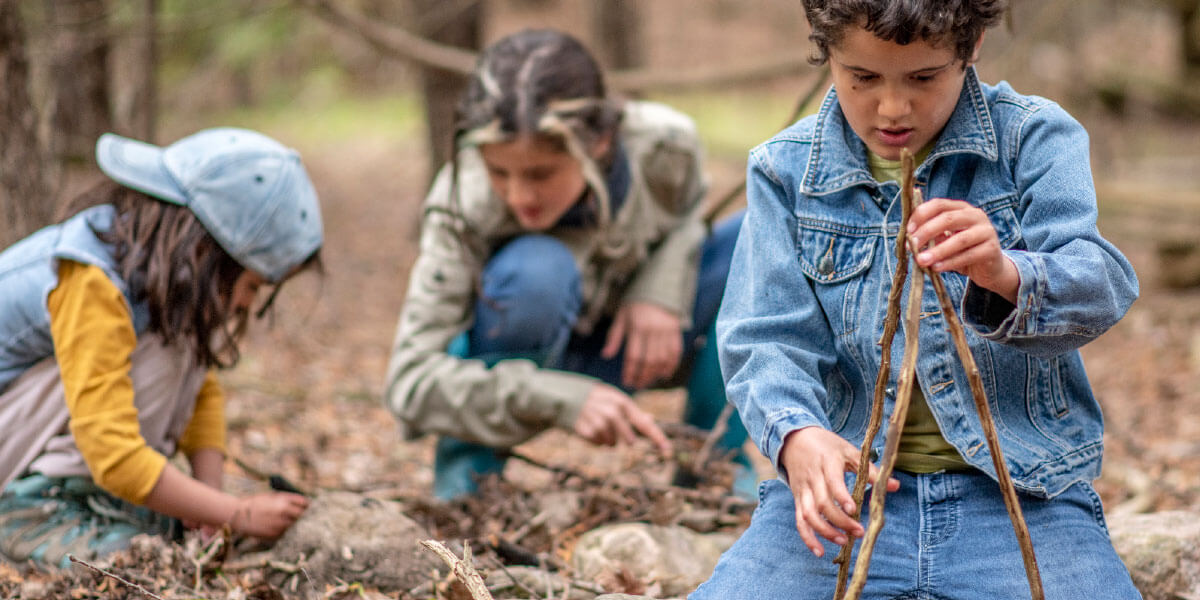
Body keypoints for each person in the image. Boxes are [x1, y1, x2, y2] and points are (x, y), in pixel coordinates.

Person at [692, 1, 1143, 598]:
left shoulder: (1034, 138)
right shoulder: (785, 170)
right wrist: (797, 435)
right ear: (826, 52)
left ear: (972, 44)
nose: (893, 107)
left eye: (924, 78)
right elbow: (765, 337)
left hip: (1020, 498)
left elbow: (1101, 283)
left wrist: (1005, 273)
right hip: (843, 505)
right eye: (864, 78)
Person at [384, 28, 753, 501]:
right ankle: (470, 471)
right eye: (499, 172)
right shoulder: (462, 201)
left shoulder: (665, 144)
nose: (519, 196)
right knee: (536, 270)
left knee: (757, 237)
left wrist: (659, 291)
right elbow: (409, 383)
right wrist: (560, 398)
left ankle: (712, 465)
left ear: (600, 141)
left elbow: (687, 220)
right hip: (522, 357)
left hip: (630, 344)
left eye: (540, 174)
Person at [0, 128, 323, 569]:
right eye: (250, 284)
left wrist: (210, 505)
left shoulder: (153, 279)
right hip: (14, 452)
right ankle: (28, 514)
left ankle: (84, 502)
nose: (247, 302)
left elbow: (202, 389)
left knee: (180, 342)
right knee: (164, 351)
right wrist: (237, 514)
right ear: (207, 253)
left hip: (35, 443)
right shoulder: (93, 280)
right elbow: (111, 452)